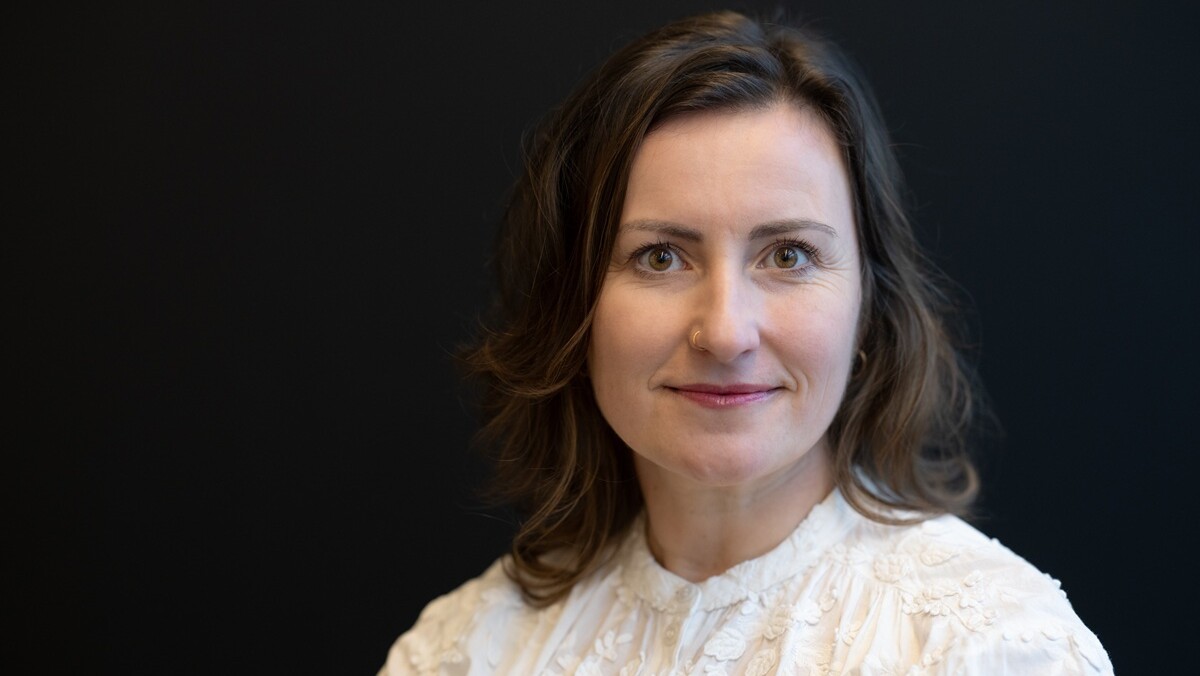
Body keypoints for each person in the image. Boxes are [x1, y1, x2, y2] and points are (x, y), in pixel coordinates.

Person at [380, 9, 1113, 675]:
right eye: (660, 257)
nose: (726, 333)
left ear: (868, 306)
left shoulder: (995, 650)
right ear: (574, 307)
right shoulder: (460, 652)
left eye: (788, 255)